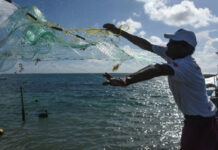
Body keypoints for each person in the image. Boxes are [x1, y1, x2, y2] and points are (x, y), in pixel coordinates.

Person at [102, 23, 218, 150]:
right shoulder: (174, 54)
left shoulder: (185, 65)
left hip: (200, 122)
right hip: (201, 117)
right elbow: (146, 45)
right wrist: (119, 31)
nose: (168, 45)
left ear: (184, 47)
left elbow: (157, 69)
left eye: (173, 42)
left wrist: (126, 80)